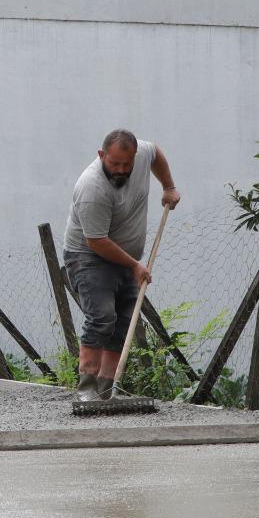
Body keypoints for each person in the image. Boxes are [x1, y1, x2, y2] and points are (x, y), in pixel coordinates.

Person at [62, 128, 181, 402]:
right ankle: (86, 390)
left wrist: (169, 186)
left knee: (125, 322)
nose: (121, 169)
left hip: (125, 258)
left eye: (126, 164)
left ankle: (106, 390)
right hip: (88, 257)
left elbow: (156, 154)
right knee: (102, 317)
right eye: (114, 163)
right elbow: (97, 242)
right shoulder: (91, 187)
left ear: (134, 155)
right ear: (101, 155)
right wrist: (135, 266)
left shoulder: (142, 154)